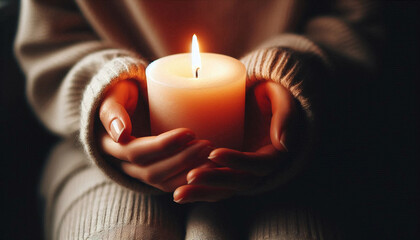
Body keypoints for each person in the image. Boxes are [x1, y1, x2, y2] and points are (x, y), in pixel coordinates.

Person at [15, 0, 381, 239]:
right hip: (97, 157)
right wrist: (103, 89)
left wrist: (295, 71)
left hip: (311, 149)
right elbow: (49, 40)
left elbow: (357, 24)